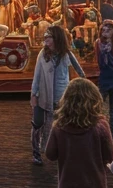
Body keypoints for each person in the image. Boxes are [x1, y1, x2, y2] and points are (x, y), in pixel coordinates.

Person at [30, 25, 85, 165]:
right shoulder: (43, 54)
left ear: (57, 38)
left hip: (61, 96)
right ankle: (36, 152)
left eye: (49, 37)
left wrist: (82, 86)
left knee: (61, 125)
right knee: (38, 123)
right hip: (44, 94)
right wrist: (33, 94)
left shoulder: (66, 53)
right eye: (45, 37)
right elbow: (36, 76)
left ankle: (60, 151)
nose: (46, 40)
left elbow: (79, 69)